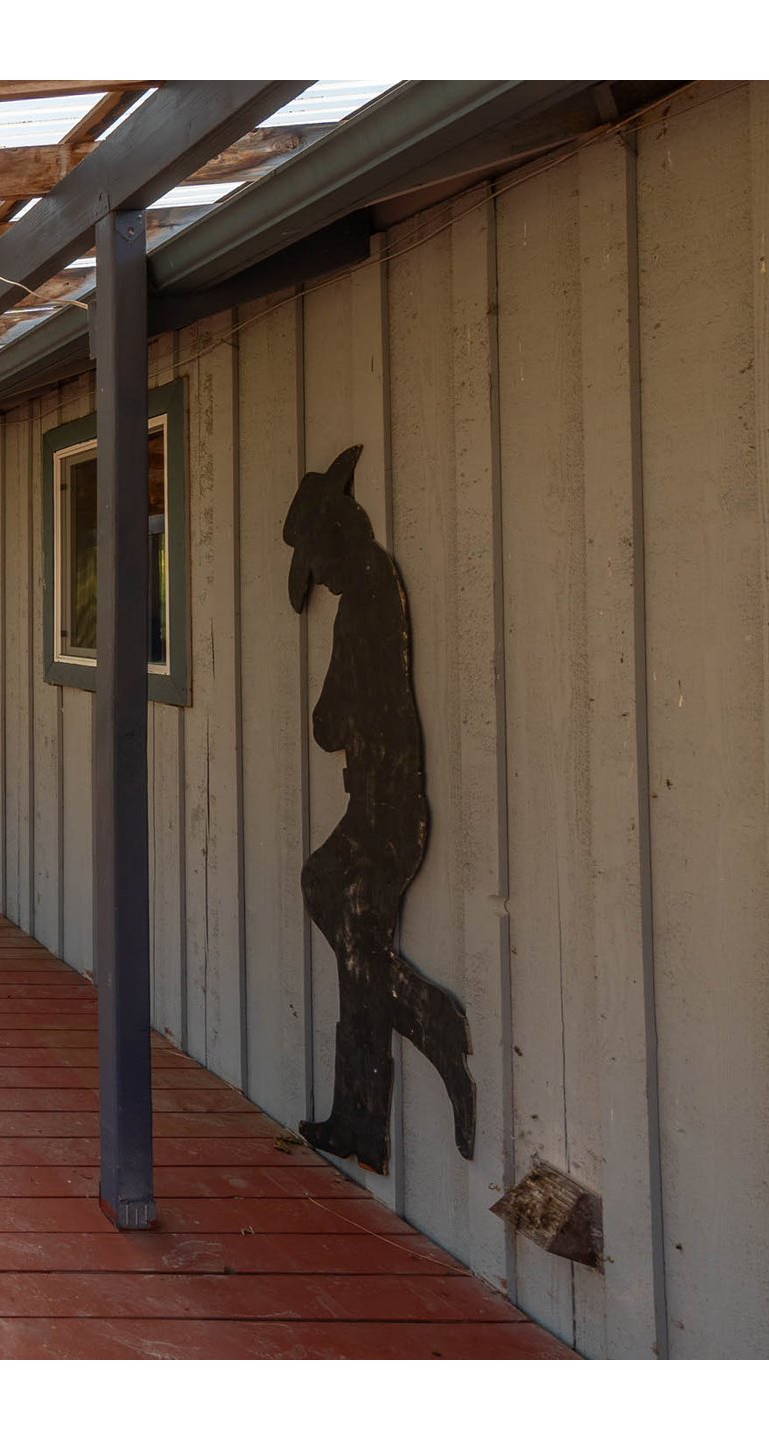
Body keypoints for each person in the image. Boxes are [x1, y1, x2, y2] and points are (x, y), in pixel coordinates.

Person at [283, 444, 475, 1172]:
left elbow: (330, 718)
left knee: (347, 929)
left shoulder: (366, 592)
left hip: (389, 808)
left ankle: (431, 1022)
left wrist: (339, 716)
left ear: (337, 532)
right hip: (379, 801)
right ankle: (366, 1113)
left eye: (317, 559)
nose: (319, 576)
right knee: (336, 911)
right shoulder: (370, 586)